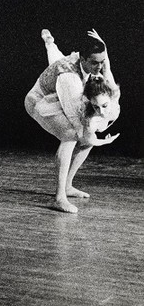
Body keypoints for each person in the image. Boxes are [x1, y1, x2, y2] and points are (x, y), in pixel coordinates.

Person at [25, 29, 120, 214]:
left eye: (101, 62)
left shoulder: (88, 62)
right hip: (39, 102)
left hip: (59, 95)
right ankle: (59, 198)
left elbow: (103, 65)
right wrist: (98, 139)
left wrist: (49, 42)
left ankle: (68, 185)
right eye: (94, 63)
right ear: (82, 59)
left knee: (87, 134)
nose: (99, 67)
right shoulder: (69, 78)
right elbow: (75, 116)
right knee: (72, 134)